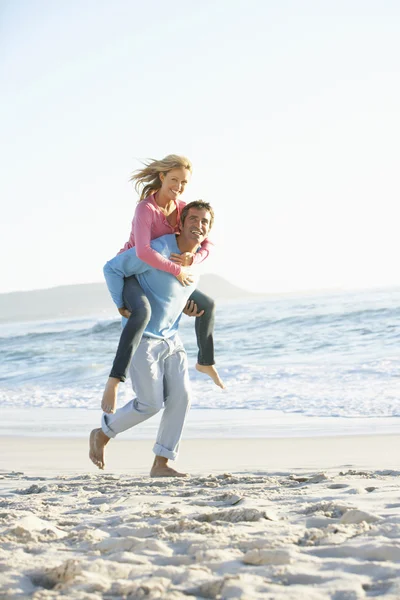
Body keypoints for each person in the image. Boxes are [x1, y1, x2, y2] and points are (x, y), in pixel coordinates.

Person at [89, 201, 215, 476]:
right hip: (144, 339)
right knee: (150, 404)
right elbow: (112, 268)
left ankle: (162, 463)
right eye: (193, 219)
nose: (198, 225)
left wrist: (187, 307)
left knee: (182, 398)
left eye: (204, 222)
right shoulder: (158, 249)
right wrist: (121, 304)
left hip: (172, 338)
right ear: (180, 223)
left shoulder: (196, 261)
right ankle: (102, 432)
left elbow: (173, 294)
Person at [101, 155, 224, 416]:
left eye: (184, 182)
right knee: (142, 314)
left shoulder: (181, 208)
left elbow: (207, 242)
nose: (178, 186)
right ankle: (114, 380)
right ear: (161, 177)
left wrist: (193, 258)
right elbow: (144, 252)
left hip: (161, 274)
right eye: (174, 180)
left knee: (207, 305)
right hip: (132, 274)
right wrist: (178, 270)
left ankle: (205, 362)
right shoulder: (146, 209)